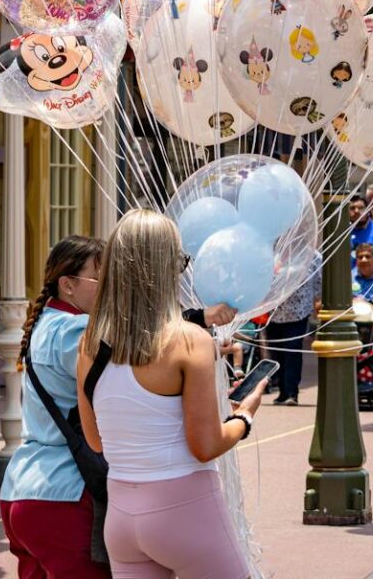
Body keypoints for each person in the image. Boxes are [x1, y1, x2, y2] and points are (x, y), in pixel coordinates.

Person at [77, 210, 265, 579]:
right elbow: (205, 445)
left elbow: (95, 440)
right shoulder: (187, 340)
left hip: (122, 515)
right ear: (167, 268)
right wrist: (244, 416)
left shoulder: (90, 344)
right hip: (185, 507)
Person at [0, 235, 108, 579]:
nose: (110, 289)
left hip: (21, 485)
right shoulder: (76, 330)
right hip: (64, 491)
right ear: (68, 285)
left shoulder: (46, 323)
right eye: (101, 279)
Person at [266, 249, 322, 405]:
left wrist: (317, 301)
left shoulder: (312, 255)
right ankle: (283, 392)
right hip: (274, 311)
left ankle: (292, 392)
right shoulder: (272, 252)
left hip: (298, 311)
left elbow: (318, 280)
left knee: (292, 349)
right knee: (276, 351)